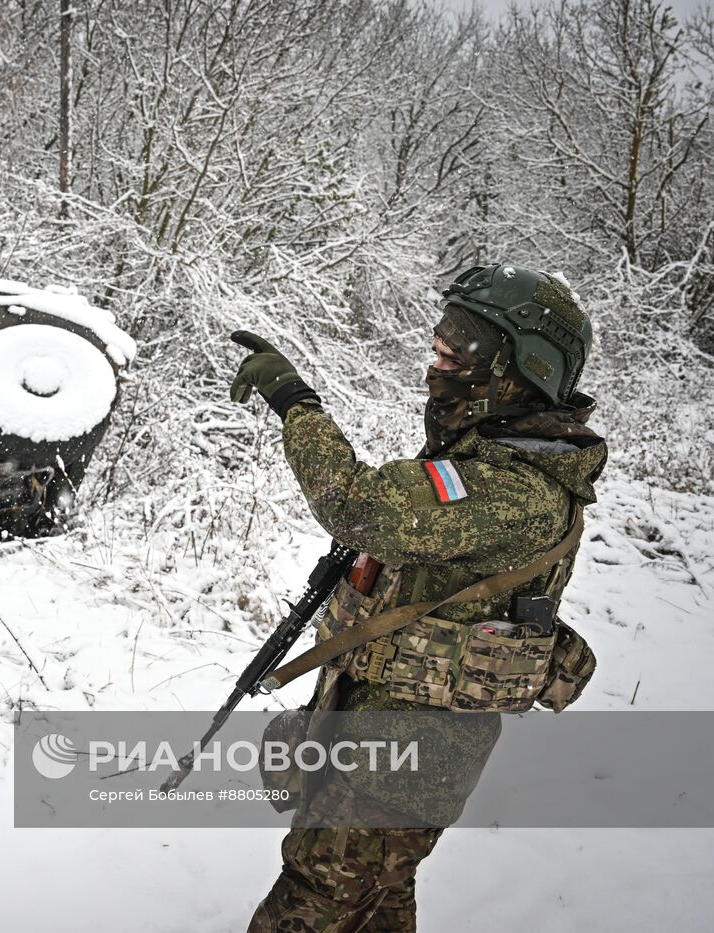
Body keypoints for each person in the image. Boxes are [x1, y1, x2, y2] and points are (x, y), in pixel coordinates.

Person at [229, 263, 607, 931]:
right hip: (387, 749)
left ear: (522, 366)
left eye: (459, 347)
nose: (438, 359)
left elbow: (357, 505)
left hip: (397, 772)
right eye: (442, 341)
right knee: (378, 904)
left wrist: (295, 399)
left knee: (308, 908)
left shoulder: (511, 487)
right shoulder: (496, 457)